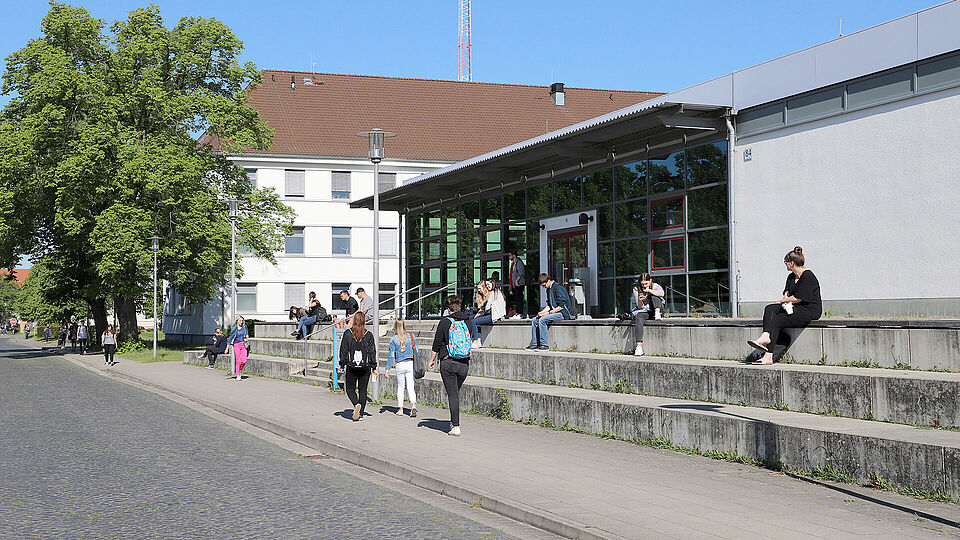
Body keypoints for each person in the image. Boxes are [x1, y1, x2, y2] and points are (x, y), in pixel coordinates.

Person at [747, 246, 822, 365]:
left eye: (785, 262)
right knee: (770, 308)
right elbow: (787, 291)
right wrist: (785, 299)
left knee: (776, 320)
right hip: (796, 307)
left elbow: (798, 297)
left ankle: (768, 355)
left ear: (791, 263)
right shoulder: (791, 277)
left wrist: (785, 301)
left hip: (809, 310)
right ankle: (766, 337)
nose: (785, 265)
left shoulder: (808, 276)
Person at [429, 295, 473, 436]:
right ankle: (453, 421)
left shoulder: (445, 322)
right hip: (464, 364)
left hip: (448, 362)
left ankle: (455, 426)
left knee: (453, 395)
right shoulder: (468, 321)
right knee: (455, 393)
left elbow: (437, 343)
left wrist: (432, 359)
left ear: (448, 309)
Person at [338, 311, 377, 421]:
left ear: (354, 320)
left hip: (351, 366)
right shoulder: (368, 334)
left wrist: (342, 364)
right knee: (363, 390)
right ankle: (361, 414)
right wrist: (374, 366)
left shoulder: (348, 334)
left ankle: (356, 405)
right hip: (365, 367)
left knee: (350, 389)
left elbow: (343, 351)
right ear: (364, 321)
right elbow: (372, 351)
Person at [527, 273, 572, 351]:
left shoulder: (558, 288)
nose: (544, 287)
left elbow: (561, 306)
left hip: (563, 313)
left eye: (544, 285)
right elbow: (549, 305)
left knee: (542, 320)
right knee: (535, 320)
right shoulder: (548, 290)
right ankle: (534, 344)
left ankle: (544, 345)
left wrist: (548, 313)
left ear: (548, 281)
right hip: (554, 311)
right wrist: (541, 312)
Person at [385, 318, 418, 417]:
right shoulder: (411, 337)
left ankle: (400, 409)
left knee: (400, 387)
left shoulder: (393, 339)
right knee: (410, 386)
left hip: (400, 364)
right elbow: (417, 351)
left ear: (395, 327)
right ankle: (413, 405)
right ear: (404, 326)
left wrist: (387, 369)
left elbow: (391, 356)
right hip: (410, 363)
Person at [630, 273, 664, 356]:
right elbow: (640, 307)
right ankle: (639, 346)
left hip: (658, 309)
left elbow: (662, 294)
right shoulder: (636, 289)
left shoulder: (655, 286)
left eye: (646, 283)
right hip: (646, 311)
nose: (644, 286)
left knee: (654, 295)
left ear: (650, 281)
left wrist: (649, 291)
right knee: (639, 317)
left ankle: (657, 313)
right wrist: (640, 300)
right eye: (642, 284)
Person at [472, 280, 506, 347]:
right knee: (476, 322)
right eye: (486, 285)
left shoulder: (494, 293)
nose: (487, 286)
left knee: (474, 322)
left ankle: (476, 341)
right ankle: (478, 340)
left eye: (488, 284)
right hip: (494, 315)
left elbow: (487, 308)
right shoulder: (496, 292)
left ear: (492, 283)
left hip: (494, 316)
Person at [227, 316, 249, 380]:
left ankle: (238, 370)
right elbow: (230, 338)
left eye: (242, 320)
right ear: (237, 321)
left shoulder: (244, 327)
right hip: (236, 344)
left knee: (244, 360)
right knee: (238, 360)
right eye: (240, 320)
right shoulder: (234, 328)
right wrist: (227, 347)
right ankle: (238, 375)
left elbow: (247, 334)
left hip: (243, 344)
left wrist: (246, 338)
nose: (241, 322)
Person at [507, 250, 527, 318]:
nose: (509, 257)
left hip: (519, 284)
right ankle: (517, 312)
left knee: (519, 298)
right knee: (516, 299)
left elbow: (521, 272)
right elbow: (511, 275)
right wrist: (510, 284)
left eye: (510, 255)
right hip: (514, 284)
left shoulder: (519, 262)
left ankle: (520, 312)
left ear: (513, 255)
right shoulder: (513, 264)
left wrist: (517, 281)